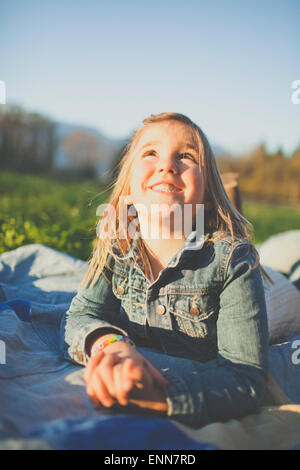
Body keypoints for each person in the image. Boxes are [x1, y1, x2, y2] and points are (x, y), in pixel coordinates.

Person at [60, 112, 269, 428]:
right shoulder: (117, 244)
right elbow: (81, 315)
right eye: (150, 153)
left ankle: (232, 197)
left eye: (185, 156)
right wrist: (111, 346)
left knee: (282, 272)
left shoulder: (233, 261)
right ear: (129, 186)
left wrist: (161, 397)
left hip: (264, 283)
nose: (167, 166)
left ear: (208, 197)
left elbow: (246, 376)